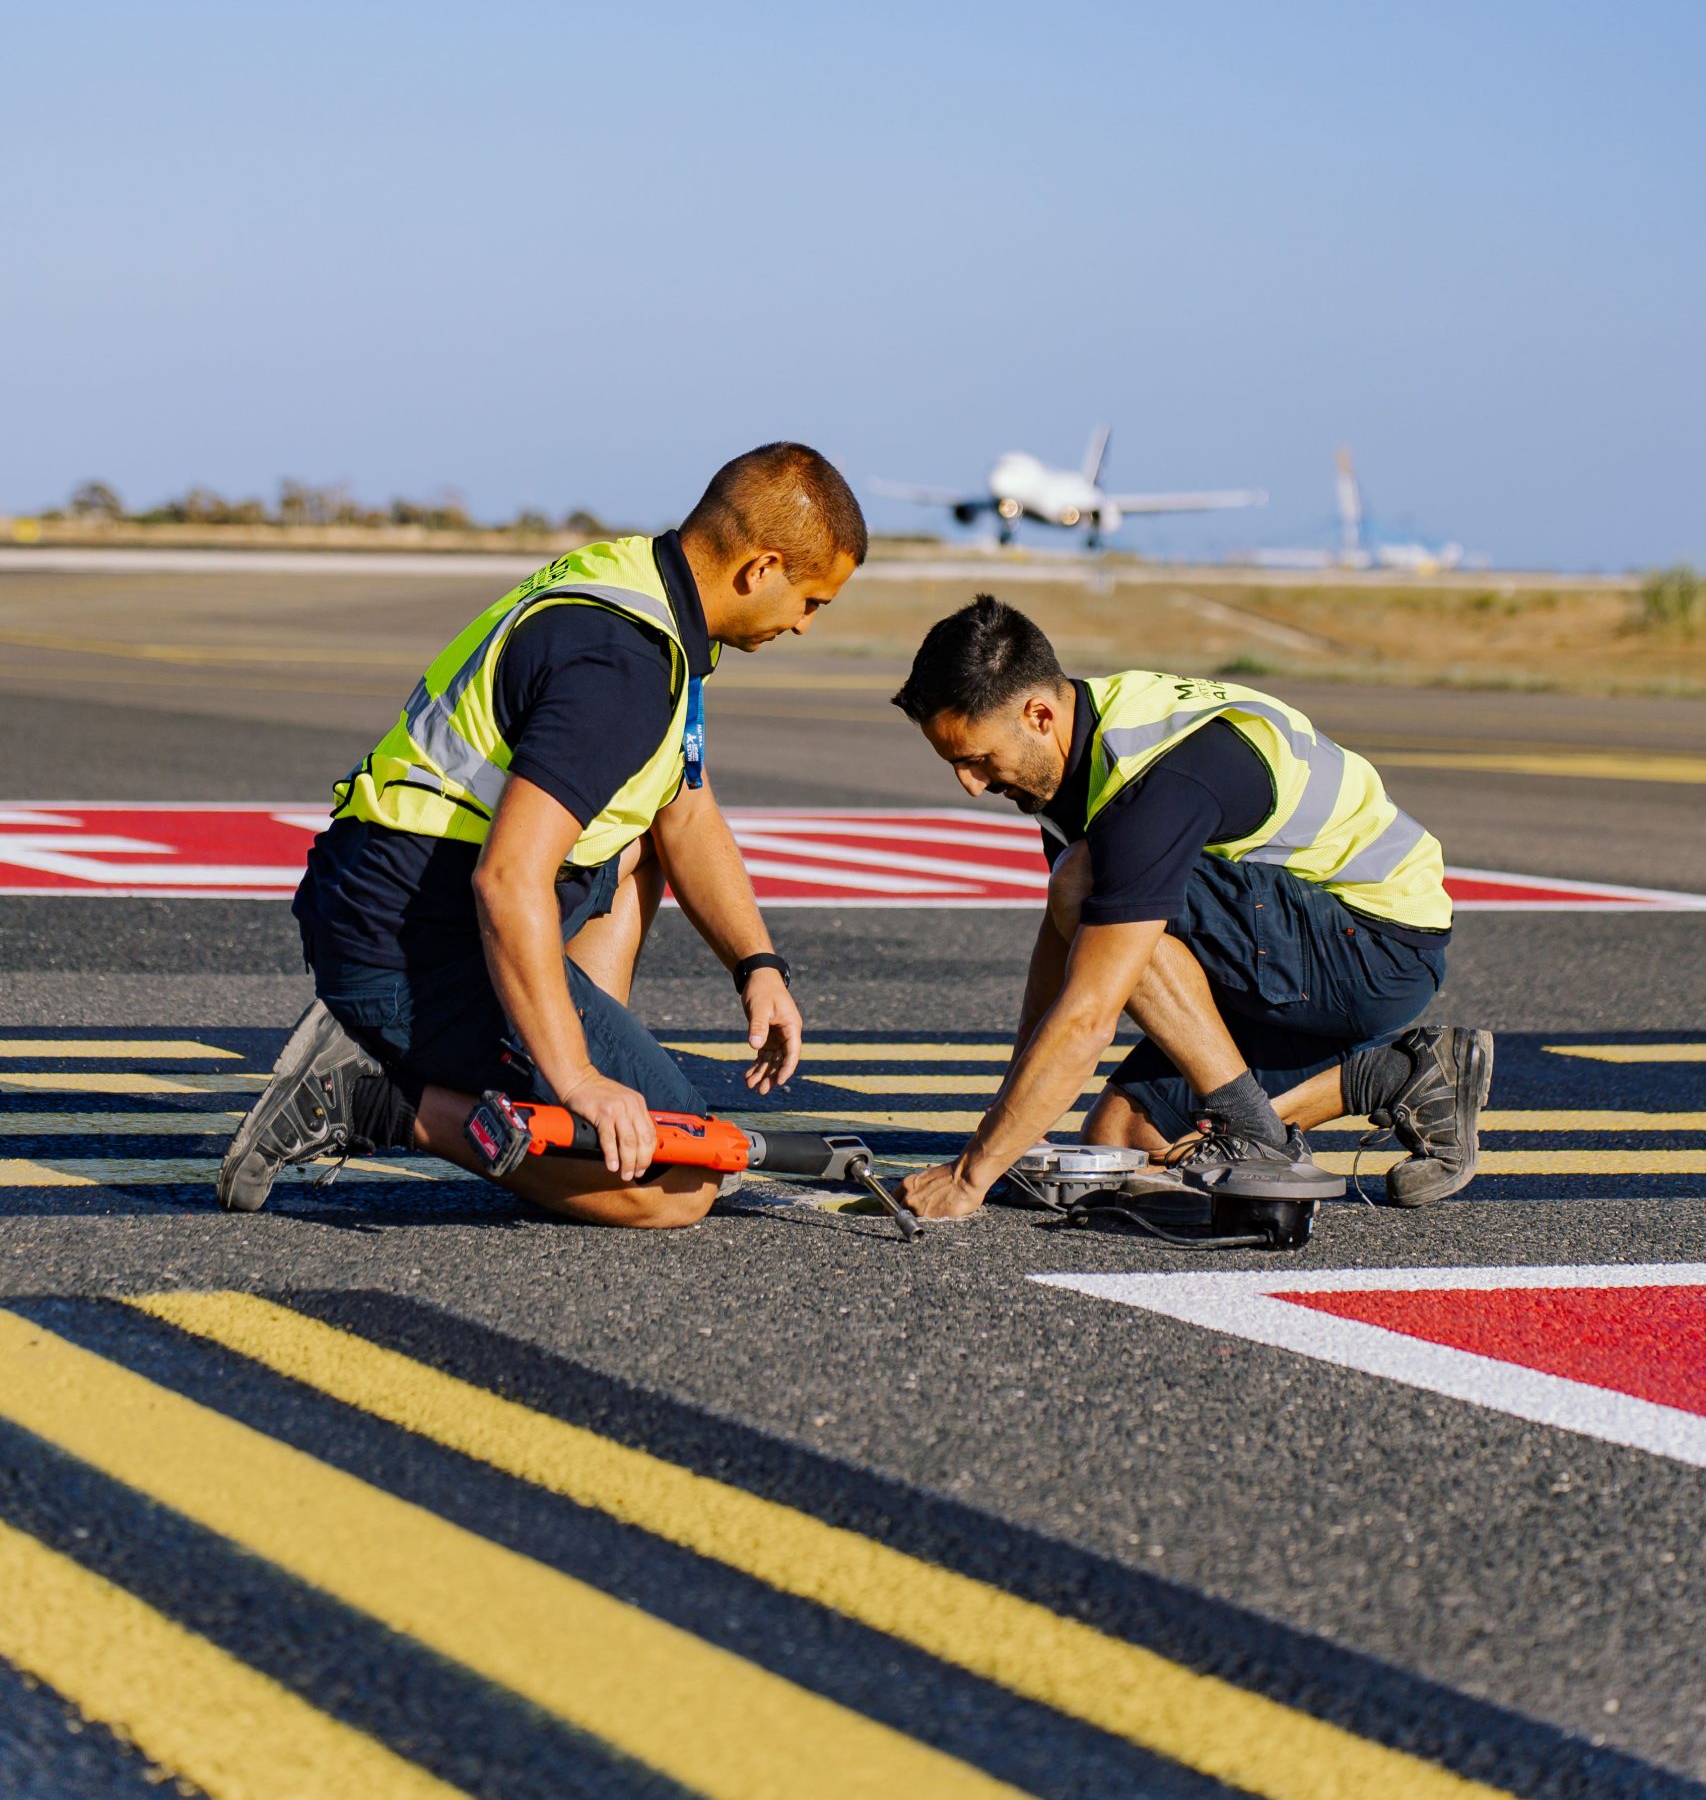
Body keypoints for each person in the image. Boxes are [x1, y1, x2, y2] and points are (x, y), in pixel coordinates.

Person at [218, 442, 866, 1229]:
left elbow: (684, 808)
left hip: (390, 883)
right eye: (812, 602)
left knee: (638, 845)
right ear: (760, 568)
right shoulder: (622, 665)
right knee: (678, 1185)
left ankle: (546, 1074)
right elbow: (507, 878)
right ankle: (373, 1099)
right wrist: (580, 1078)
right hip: (406, 939)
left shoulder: (643, 585)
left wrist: (756, 965)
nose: (804, 626)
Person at [888, 595, 1491, 1225]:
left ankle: (1253, 1130)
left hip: (1372, 947)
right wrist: (1009, 1125)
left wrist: (970, 1176)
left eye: (977, 759)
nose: (970, 784)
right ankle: (1399, 1073)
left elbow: (1091, 1010)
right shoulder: (1067, 756)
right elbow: (1061, 950)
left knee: (1089, 887)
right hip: (1291, 948)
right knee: (1120, 1144)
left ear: (1038, 713)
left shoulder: (1152, 783)